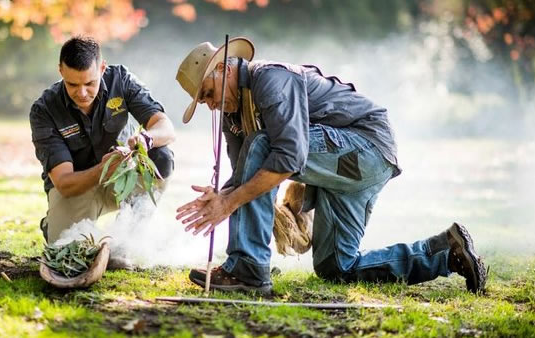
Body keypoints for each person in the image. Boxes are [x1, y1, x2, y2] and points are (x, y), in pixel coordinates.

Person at [174, 37, 486, 294]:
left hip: (366, 148)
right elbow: (244, 176)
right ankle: (446, 252)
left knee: (265, 143)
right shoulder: (233, 117)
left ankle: (249, 268)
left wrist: (229, 202)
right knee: (337, 268)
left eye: (208, 93)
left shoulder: (270, 78)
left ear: (224, 69)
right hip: (348, 165)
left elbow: (287, 157)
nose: (210, 104)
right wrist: (220, 198)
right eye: (203, 101)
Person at [30, 36, 176, 268]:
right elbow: (65, 183)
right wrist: (104, 167)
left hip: (121, 180)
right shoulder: (44, 109)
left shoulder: (122, 79)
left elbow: (166, 128)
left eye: (90, 83)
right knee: (68, 256)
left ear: (102, 67)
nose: (82, 93)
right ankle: (54, 225)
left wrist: (145, 139)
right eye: (72, 85)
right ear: (60, 71)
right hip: (77, 188)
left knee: (161, 157)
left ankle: (123, 243)